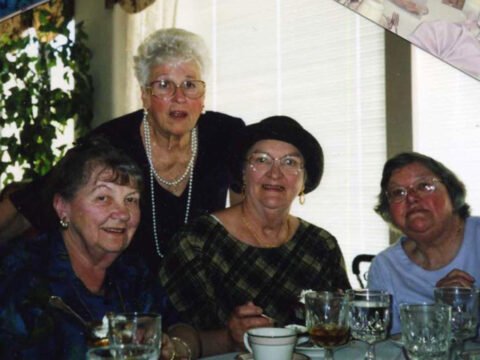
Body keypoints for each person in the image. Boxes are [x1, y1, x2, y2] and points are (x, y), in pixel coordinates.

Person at [0, 28, 245, 274]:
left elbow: (247, 215)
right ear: (145, 96)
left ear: (202, 97)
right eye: (164, 85)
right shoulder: (111, 141)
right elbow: (33, 201)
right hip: (126, 290)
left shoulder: (225, 134)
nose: (179, 97)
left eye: (190, 85)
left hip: (199, 288)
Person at [160, 115, 351, 352]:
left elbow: (342, 330)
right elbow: (176, 341)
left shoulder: (321, 245)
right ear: (242, 173)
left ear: (304, 181)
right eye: (261, 160)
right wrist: (228, 337)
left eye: (290, 163)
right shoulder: (196, 242)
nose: (275, 173)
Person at [367, 152, 480, 335]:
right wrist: (439, 312)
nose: (411, 198)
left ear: (452, 193)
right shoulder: (386, 266)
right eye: (398, 193)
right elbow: (385, 346)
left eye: (424, 186)